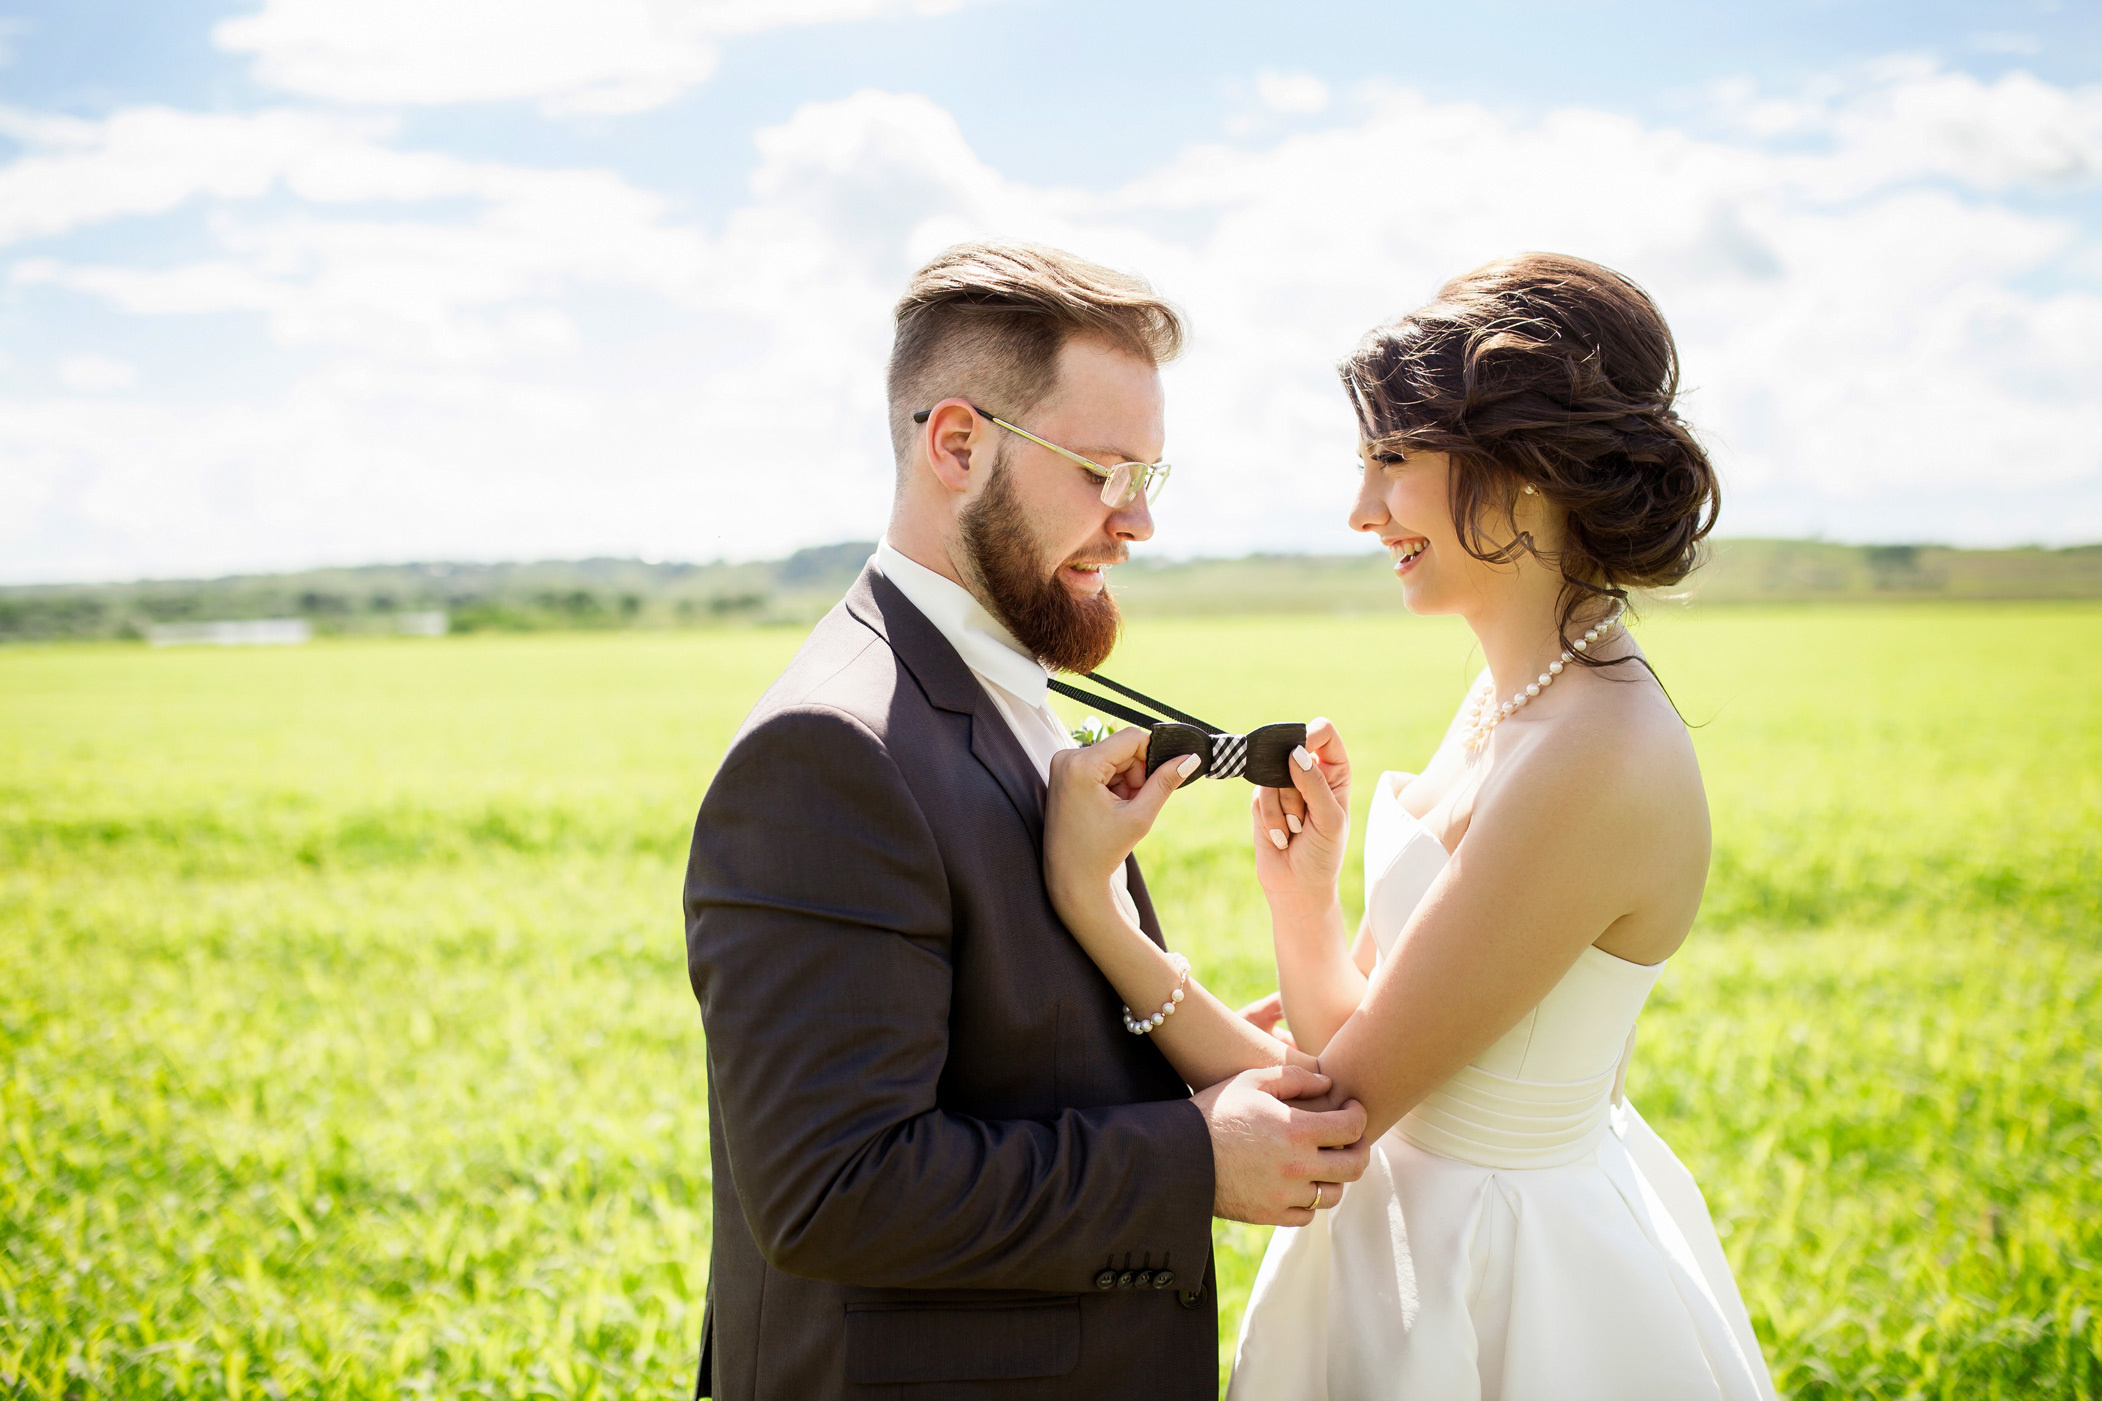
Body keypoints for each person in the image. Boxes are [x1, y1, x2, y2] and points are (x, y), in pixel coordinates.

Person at [1043, 253, 1779, 1400]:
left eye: (1392, 461)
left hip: (1507, 1291)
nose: (1361, 510)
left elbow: (1333, 1112)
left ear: (1521, 469)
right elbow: (1364, 1049)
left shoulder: (1594, 756)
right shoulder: (1511, 695)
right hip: (1405, 1242)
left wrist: (1093, 906)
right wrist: (1303, 899)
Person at [682, 239, 1373, 1401]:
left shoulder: (996, 680)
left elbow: (1000, 1052)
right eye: (1104, 471)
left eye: (1150, 477)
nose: (1136, 522)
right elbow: (833, 1190)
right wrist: (1194, 1154)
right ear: (958, 444)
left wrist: (1155, 1058)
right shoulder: (825, 756)